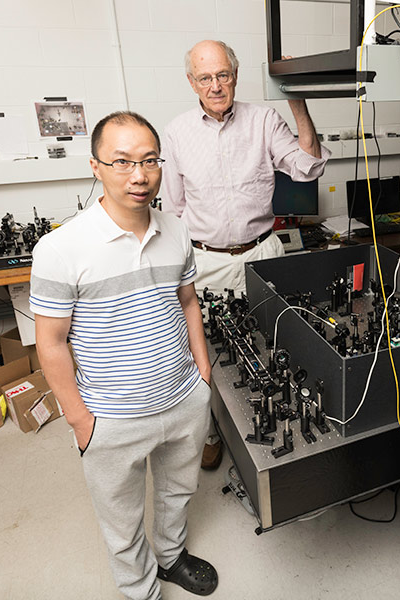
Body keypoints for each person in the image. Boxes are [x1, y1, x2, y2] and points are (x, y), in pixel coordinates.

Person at [31, 111, 218, 600]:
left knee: (178, 492)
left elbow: (189, 302)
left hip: (182, 398)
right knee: (121, 514)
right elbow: (50, 342)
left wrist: (202, 372)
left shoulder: (176, 230)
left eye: (149, 161)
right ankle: (139, 588)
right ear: (95, 167)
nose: (139, 176)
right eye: (122, 162)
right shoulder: (60, 248)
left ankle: (171, 557)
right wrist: (79, 420)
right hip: (111, 416)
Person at [160, 39, 330, 470]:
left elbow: (309, 166)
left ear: (235, 75)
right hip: (207, 263)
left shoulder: (263, 120)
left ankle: (279, 430)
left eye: (223, 75)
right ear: (191, 82)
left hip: (263, 253)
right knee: (208, 355)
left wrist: (298, 101)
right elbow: (174, 209)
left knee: (276, 344)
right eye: (205, 77)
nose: (215, 85)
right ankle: (212, 433)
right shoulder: (178, 132)